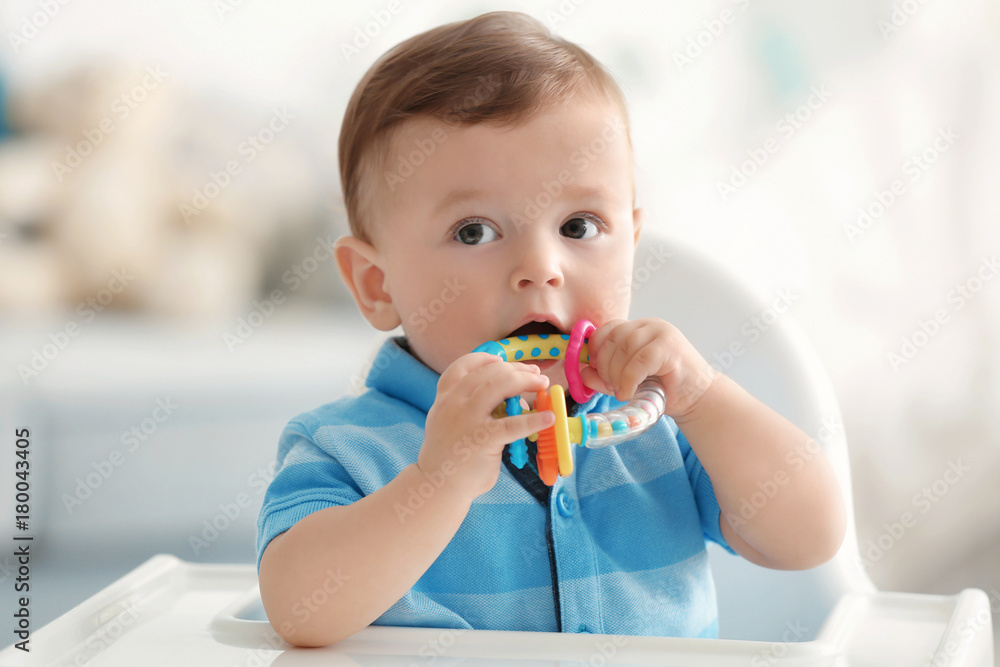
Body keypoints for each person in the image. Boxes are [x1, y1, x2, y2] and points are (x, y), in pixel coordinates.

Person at [256, 10, 846, 648]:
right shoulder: (344, 447)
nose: (540, 267)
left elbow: (810, 538)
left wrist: (703, 398)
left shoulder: (654, 427)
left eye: (578, 226)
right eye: (473, 231)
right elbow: (299, 612)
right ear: (378, 284)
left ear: (631, 245)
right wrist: (437, 480)